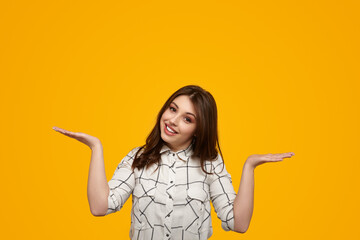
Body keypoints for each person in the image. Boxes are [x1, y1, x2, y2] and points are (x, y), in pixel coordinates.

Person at [52, 85, 295, 240]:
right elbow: (100, 206)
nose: (173, 120)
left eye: (187, 119)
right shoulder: (138, 158)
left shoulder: (210, 164)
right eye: (172, 108)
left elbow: (238, 223)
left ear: (199, 129)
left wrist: (249, 166)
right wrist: (96, 147)